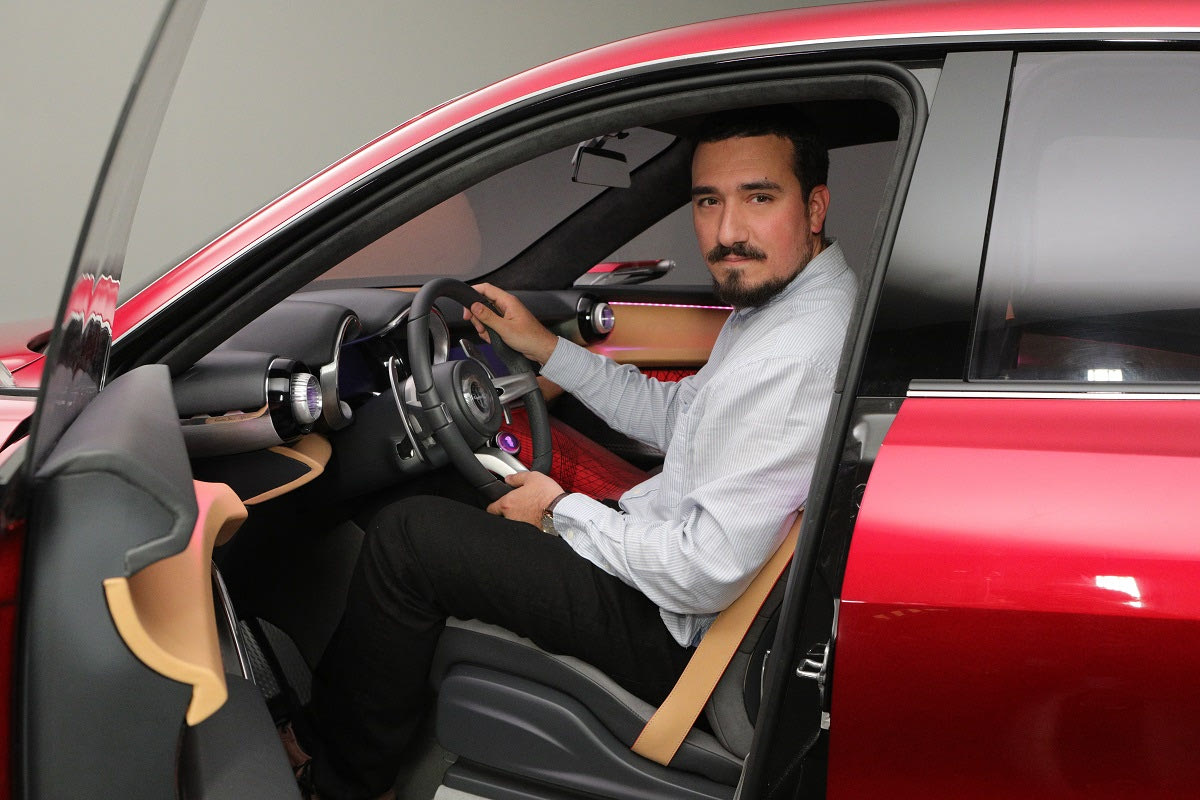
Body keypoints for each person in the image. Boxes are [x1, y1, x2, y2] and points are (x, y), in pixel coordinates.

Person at [301, 105, 857, 800]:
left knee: (405, 538)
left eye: (759, 198)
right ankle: (340, 728)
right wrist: (546, 348)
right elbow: (680, 418)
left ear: (814, 207)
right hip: (682, 577)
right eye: (708, 201)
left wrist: (560, 510)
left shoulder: (793, 353)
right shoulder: (787, 307)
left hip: (682, 633)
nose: (726, 233)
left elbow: (700, 573)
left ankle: (340, 782)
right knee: (441, 496)